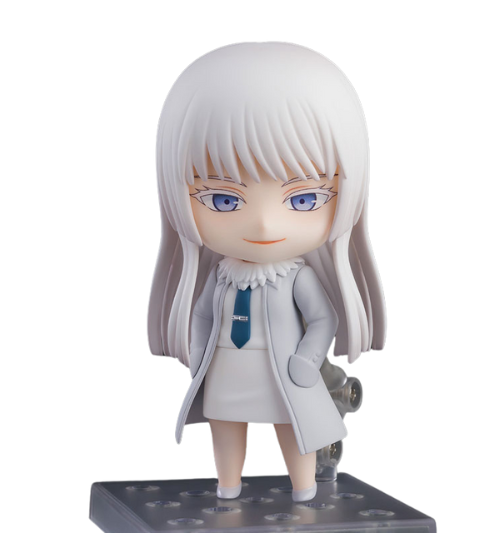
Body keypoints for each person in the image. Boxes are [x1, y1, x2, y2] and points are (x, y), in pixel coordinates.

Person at [148, 42, 386, 502]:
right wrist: (198, 352)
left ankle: (304, 491)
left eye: (303, 199)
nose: (263, 224)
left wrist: (307, 360)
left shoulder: (295, 277)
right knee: (224, 425)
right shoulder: (222, 275)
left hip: (284, 374)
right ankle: (228, 488)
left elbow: (323, 319)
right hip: (227, 368)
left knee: (294, 428)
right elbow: (203, 314)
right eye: (223, 200)